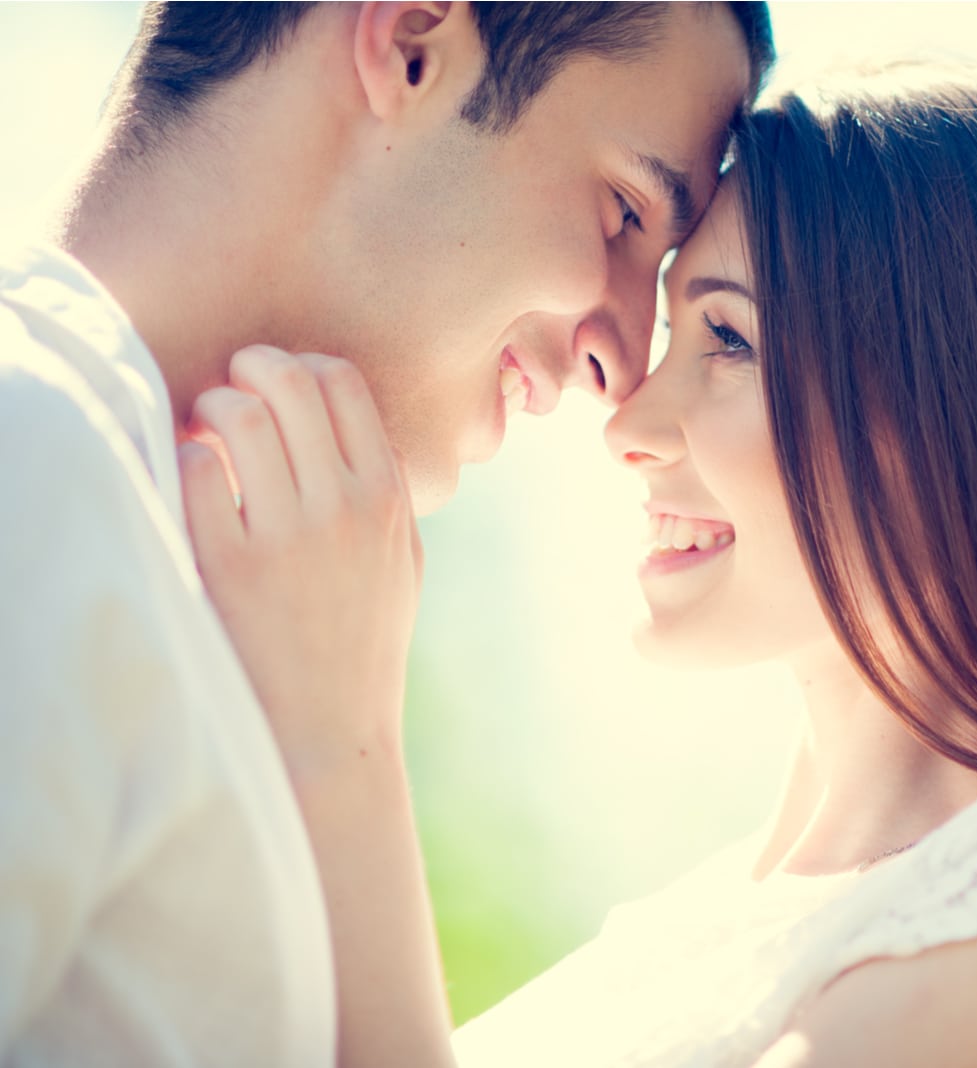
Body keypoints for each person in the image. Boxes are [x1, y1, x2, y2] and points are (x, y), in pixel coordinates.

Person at [185, 63, 977, 1066]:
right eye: (672, 338)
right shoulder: (672, 927)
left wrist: (338, 749)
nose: (628, 421)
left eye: (728, 341)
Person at [0, 3, 773, 1065]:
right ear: (411, 47)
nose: (624, 363)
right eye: (620, 211)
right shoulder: (29, 448)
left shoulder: (156, 538)